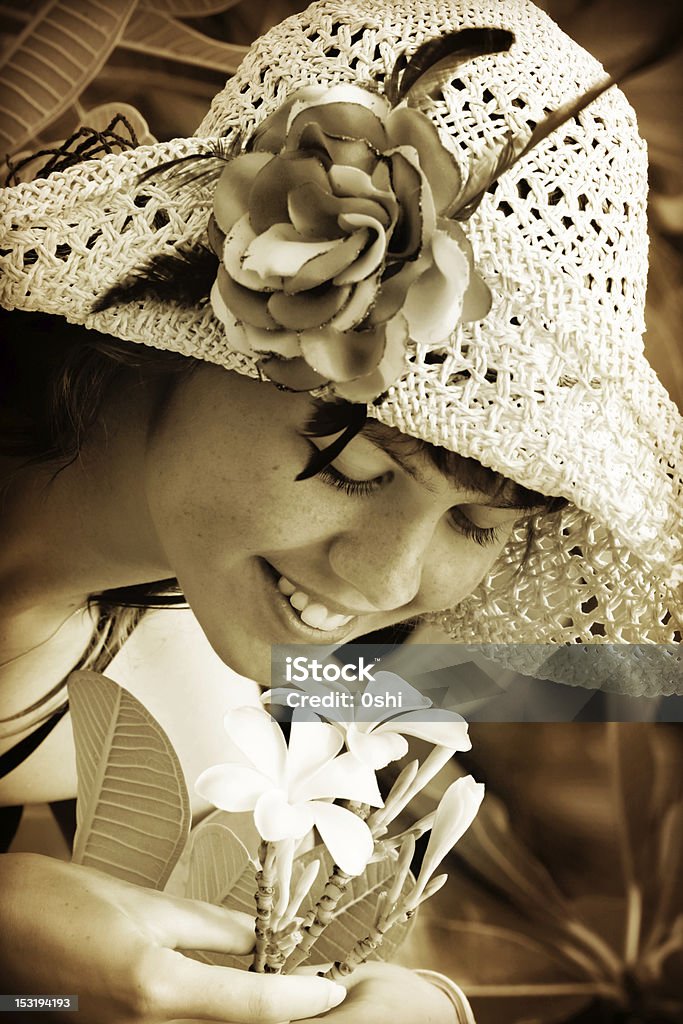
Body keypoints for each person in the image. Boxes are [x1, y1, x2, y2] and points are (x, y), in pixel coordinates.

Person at [0, 0, 681, 1020]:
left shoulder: (198, 736)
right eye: (361, 462)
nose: (386, 583)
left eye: (478, 525)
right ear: (184, 330)